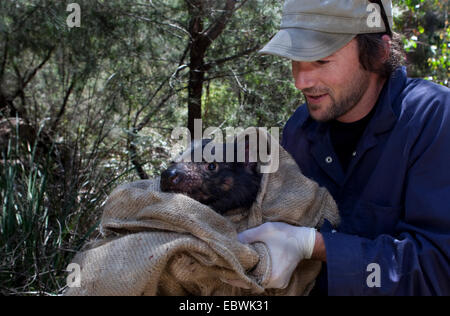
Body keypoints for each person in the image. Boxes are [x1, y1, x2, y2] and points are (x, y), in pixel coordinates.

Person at [237, 0, 450, 295]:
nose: (301, 80)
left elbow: (438, 271)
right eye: (295, 59)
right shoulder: (299, 129)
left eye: (321, 60)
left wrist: (315, 246)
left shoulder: (433, 119)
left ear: (379, 52)